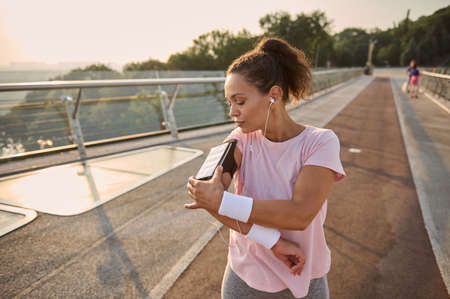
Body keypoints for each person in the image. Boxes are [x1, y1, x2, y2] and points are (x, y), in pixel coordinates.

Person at [186, 38, 346, 299]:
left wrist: (221, 201)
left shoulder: (321, 142)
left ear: (273, 95)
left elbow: (299, 214)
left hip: (304, 274)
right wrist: (273, 241)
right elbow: (208, 198)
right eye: (229, 102)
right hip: (245, 275)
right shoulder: (239, 139)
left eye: (239, 101)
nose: (232, 112)